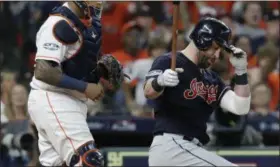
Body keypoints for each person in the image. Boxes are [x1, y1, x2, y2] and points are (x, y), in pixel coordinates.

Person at [27, 1, 125, 167]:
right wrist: (85, 87)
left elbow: (75, 61)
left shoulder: (84, 22)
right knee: (88, 159)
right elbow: (43, 71)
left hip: (69, 101)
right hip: (54, 99)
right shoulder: (58, 24)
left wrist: (99, 69)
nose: (98, 2)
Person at [144, 17, 251, 166]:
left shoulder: (212, 78)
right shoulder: (171, 61)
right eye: (215, 48)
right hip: (173, 147)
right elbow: (149, 91)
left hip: (190, 149)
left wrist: (241, 70)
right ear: (202, 40)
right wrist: (160, 81)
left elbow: (241, 107)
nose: (217, 55)